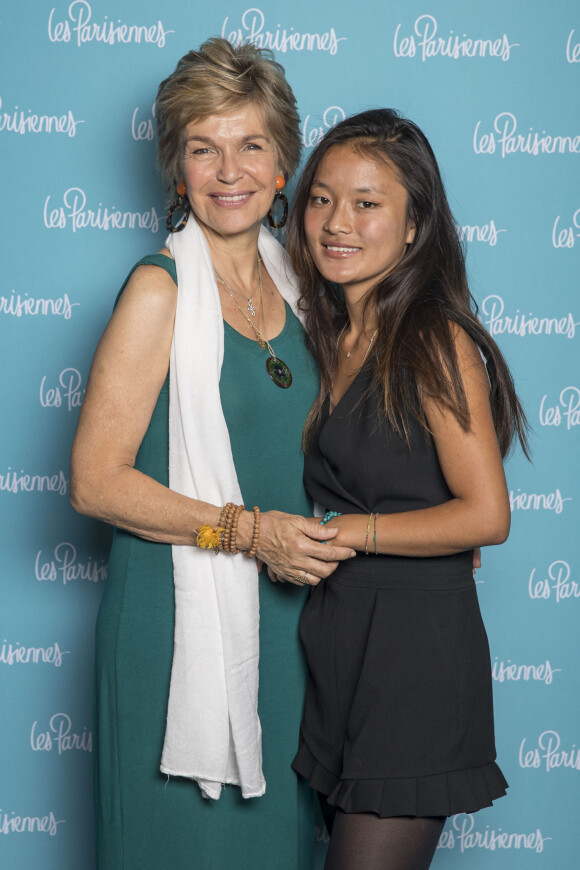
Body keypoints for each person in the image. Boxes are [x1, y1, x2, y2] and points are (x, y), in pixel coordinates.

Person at [70, 38, 355, 870]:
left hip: (291, 628)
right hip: (173, 629)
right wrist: (246, 533)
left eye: (249, 145)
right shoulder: (159, 289)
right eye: (203, 147)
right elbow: (93, 483)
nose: (227, 169)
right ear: (177, 168)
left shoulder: (309, 287)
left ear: (282, 168)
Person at [285, 108, 529, 870]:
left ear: (416, 224)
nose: (336, 223)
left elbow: (488, 515)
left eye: (367, 203)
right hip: (337, 648)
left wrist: (356, 532)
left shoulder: (432, 336)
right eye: (321, 198)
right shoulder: (329, 334)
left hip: (414, 659)